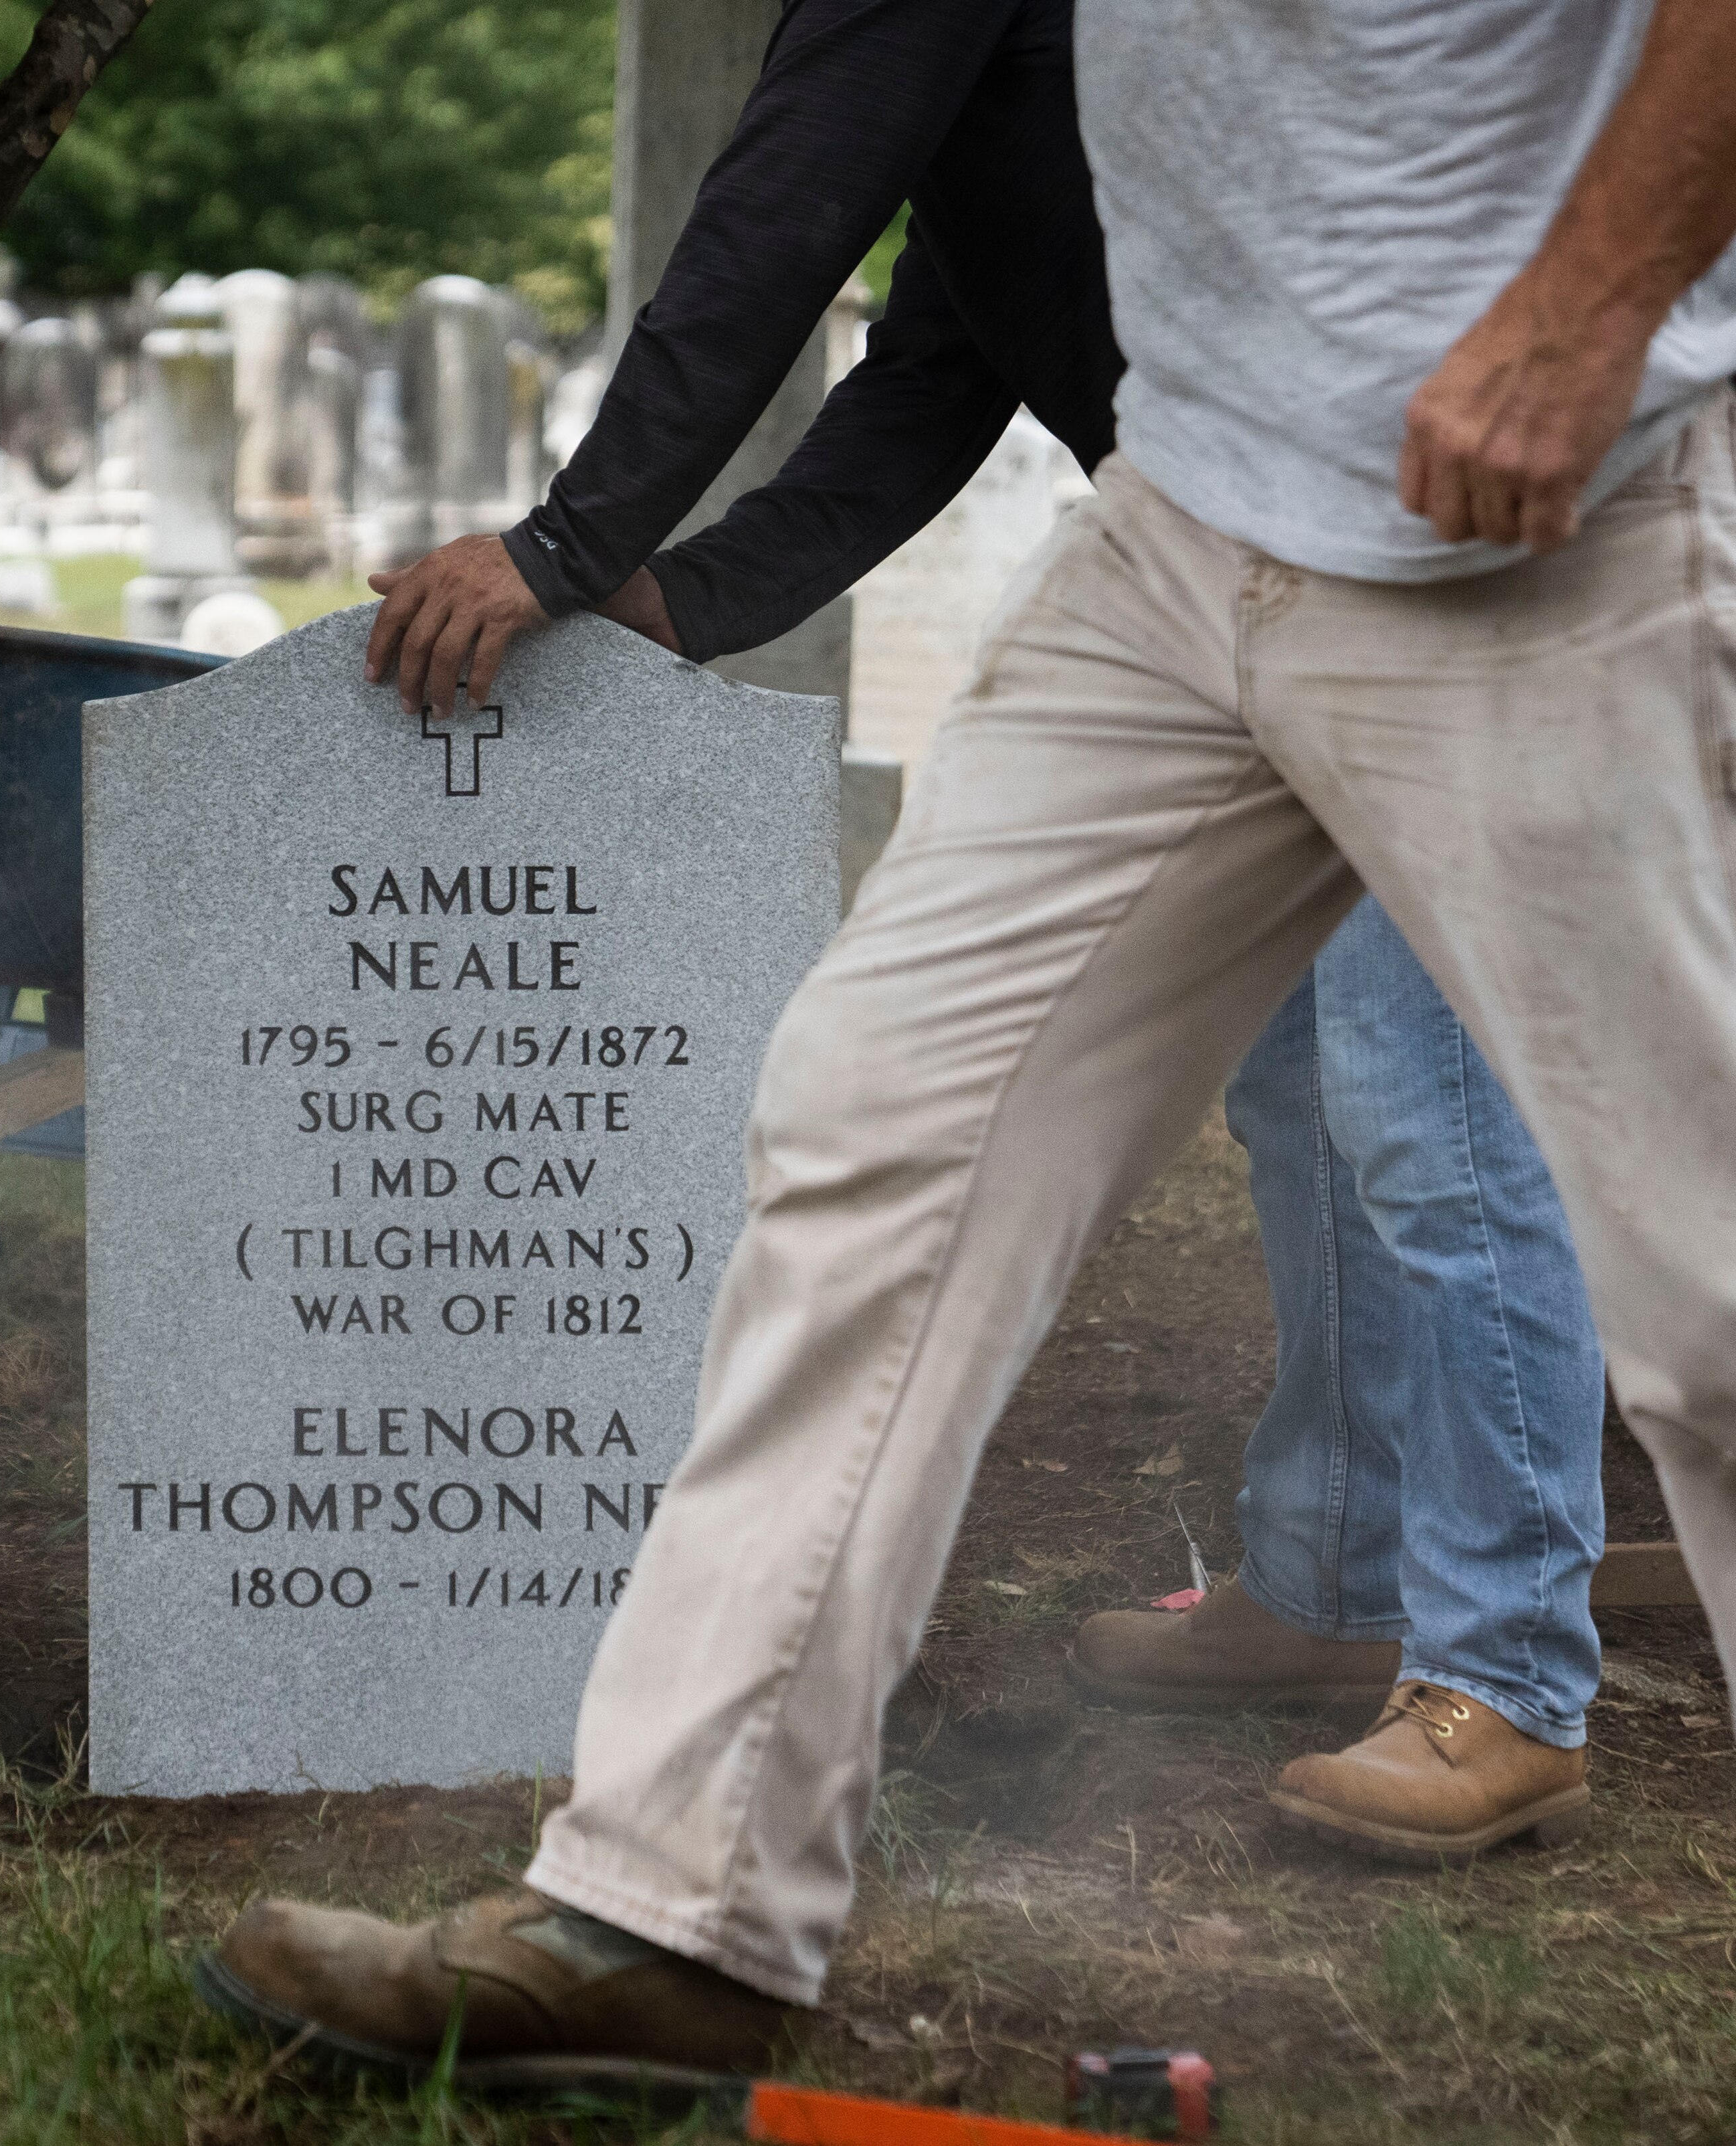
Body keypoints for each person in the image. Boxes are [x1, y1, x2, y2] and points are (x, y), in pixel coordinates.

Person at [203, 0, 1736, 2085]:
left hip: (1532, 508)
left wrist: (1591, 304)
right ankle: (677, 1907)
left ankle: (1496, 1660)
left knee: (1701, 1291)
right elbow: (938, 342)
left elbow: (795, 171)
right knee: (886, 1134)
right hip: (1189, 516)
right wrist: (660, 593)